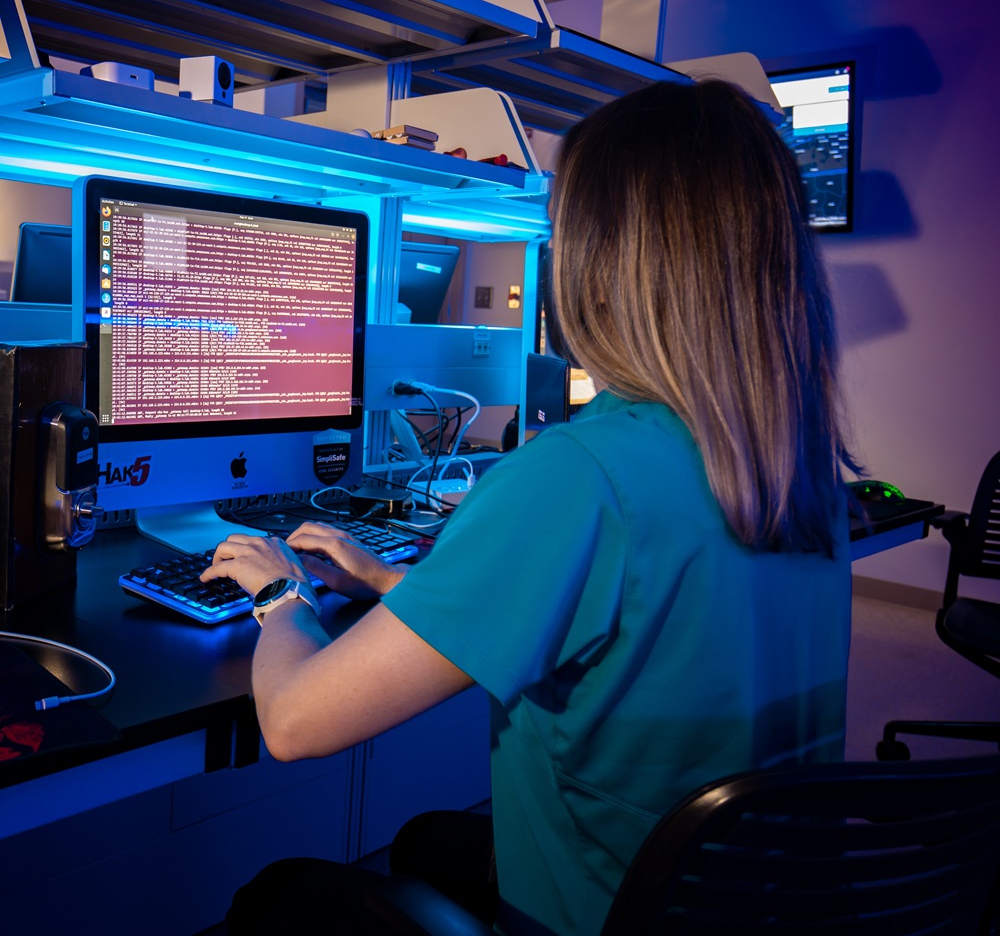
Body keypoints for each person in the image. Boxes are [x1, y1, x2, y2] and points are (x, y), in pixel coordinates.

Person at [204, 77, 858, 936]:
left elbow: (293, 722)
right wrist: (396, 581)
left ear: (598, 262)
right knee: (429, 842)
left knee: (276, 898)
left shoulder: (578, 476)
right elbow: (611, 618)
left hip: (601, 913)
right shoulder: (793, 466)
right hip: (745, 905)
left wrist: (281, 595)